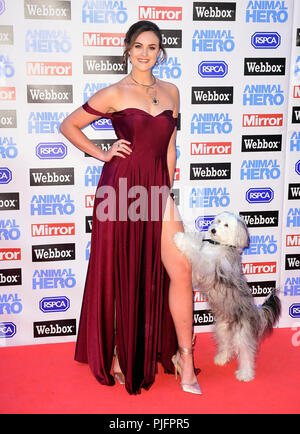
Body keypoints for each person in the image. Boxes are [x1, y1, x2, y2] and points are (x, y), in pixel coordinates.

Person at [59, 20, 201, 395]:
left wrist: (166, 191)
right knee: (125, 269)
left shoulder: (172, 92)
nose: (144, 53)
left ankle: (184, 358)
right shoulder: (114, 92)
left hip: (157, 190)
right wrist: (102, 152)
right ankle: (121, 354)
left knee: (180, 268)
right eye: (138, 46)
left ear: (160, 52)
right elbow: (69, 125)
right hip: (119, 191)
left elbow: (170, 145)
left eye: (152, 47)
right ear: (127, 48)